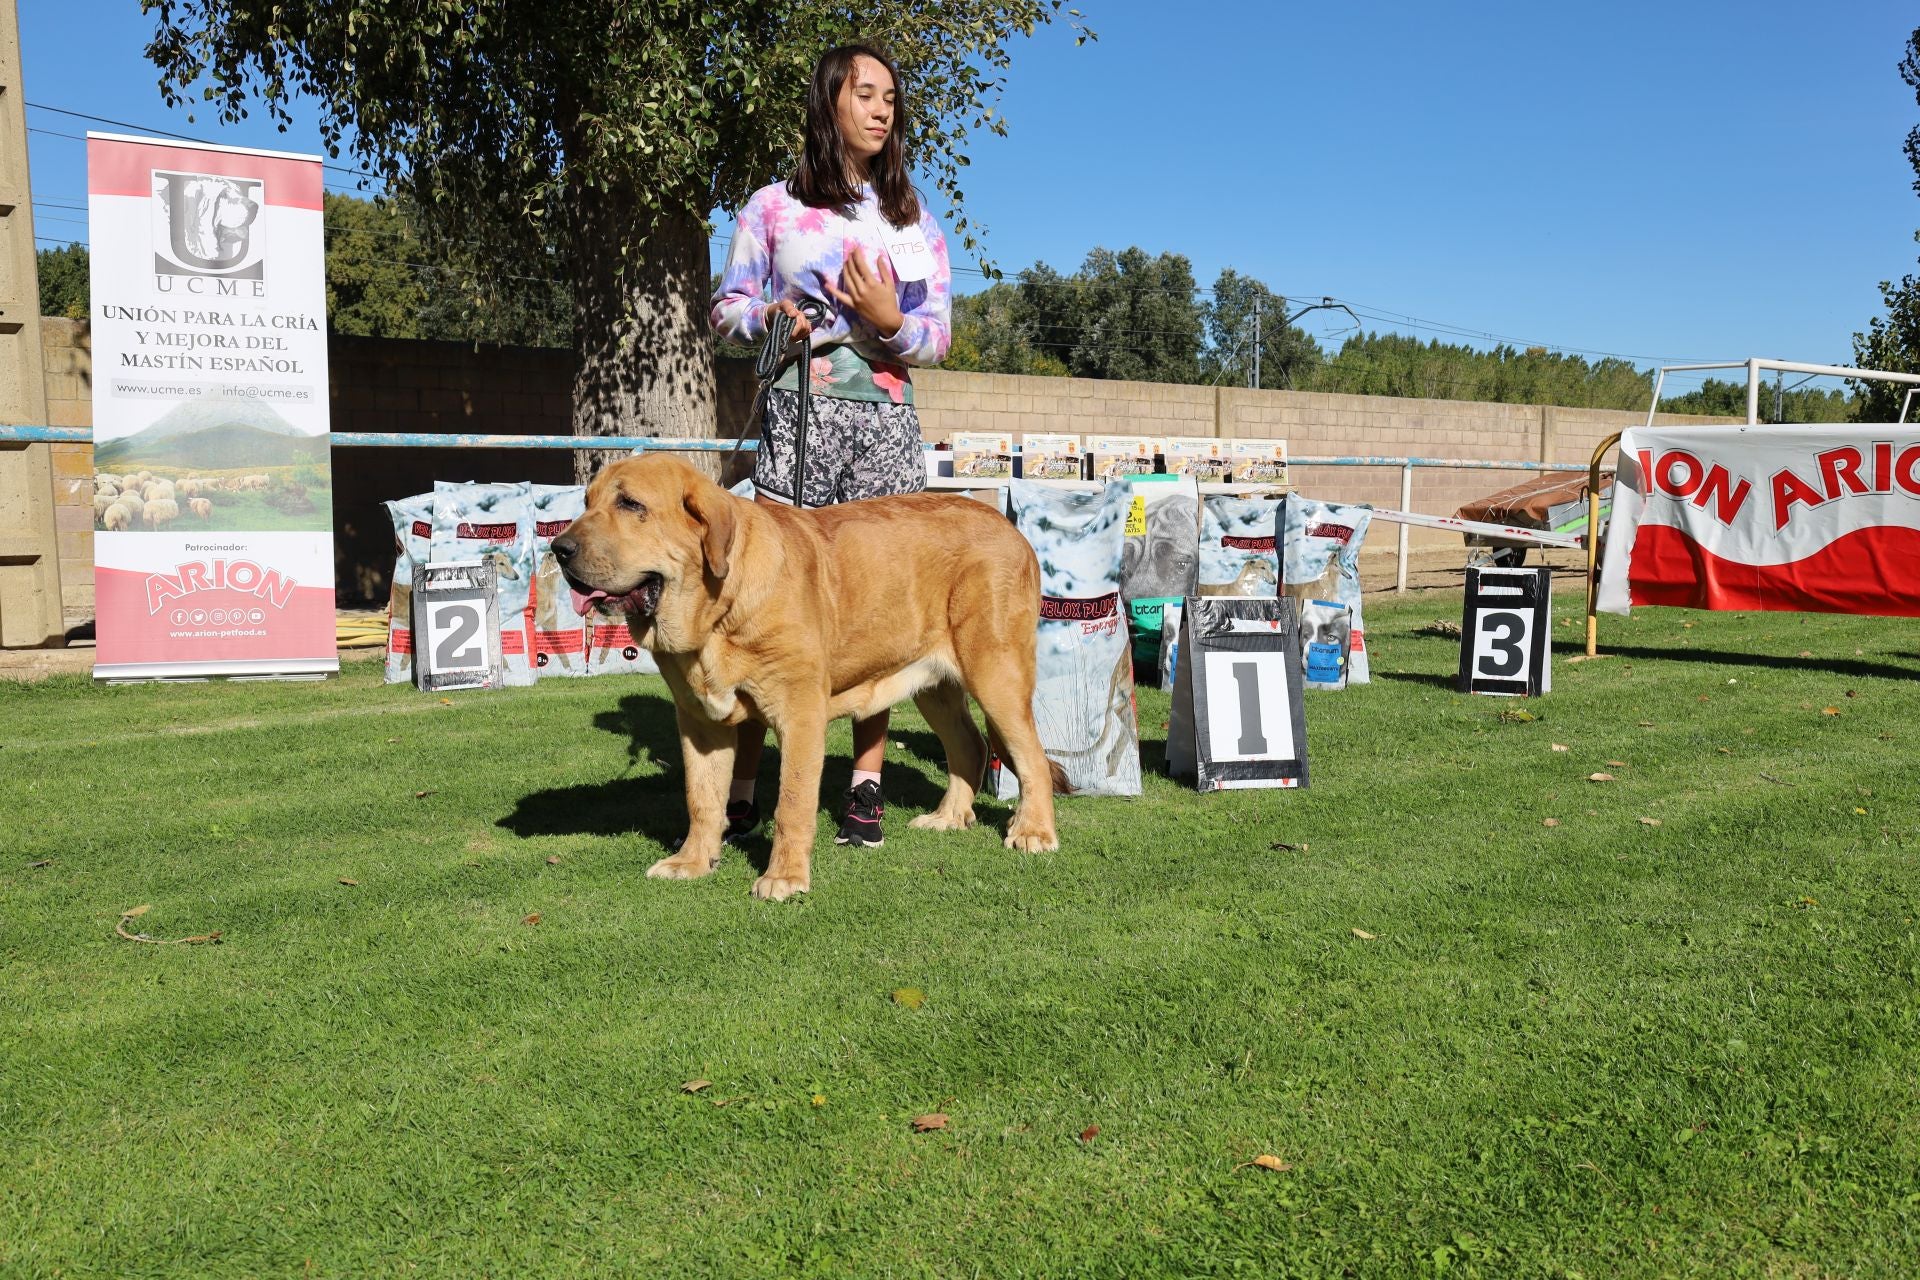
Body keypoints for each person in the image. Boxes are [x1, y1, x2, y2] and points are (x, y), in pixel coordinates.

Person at [709, 41, 953, 848]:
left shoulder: (914, 219)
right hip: (799, 412)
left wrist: (890, 324)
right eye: (866, 94)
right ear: (831, 102)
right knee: (767, 597)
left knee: (874, 598)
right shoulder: (771, 208)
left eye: (891, 98)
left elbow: (938, 336)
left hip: (884, 422)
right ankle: (747, 780)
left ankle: (866, 786)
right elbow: (727, 308)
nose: (882, 109)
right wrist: (767, 319)